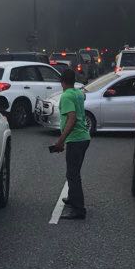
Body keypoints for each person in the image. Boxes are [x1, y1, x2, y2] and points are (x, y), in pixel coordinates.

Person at [51, 67, 91, 220]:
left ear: (62, 81)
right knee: (74, 172)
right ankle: (72, 198)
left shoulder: (66, 96)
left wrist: (60, 141)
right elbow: (83, 99)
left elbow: (71, 118)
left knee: (73, 175)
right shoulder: (78, 93)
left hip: (76, 139)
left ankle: (79, 209)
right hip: (84, 137)